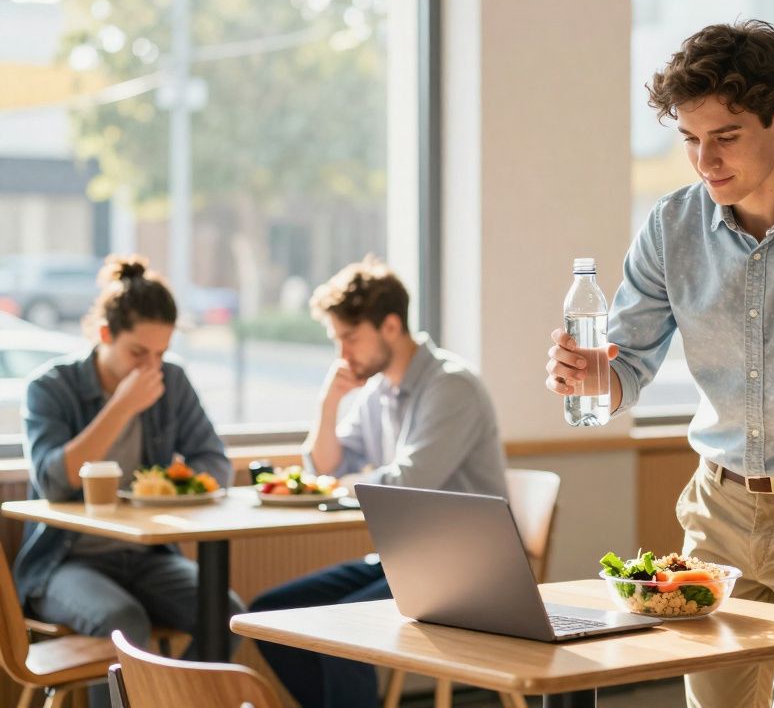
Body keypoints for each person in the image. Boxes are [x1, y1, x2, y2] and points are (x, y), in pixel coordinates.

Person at [544, 20, 774, 708]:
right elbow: (627, 366)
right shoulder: (670, 227)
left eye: (725, 136)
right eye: (689, 138)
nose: (704, 160)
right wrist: (594, 376)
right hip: (715, 516)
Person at [250, 256, 507, 708]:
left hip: (467, 568)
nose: (343, 355)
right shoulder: (378, 392)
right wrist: (329, 402)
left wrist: (348, 482)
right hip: (404, 559)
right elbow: (325, 469)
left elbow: (407, 482)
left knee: (342, 628)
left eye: (350, 338)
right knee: (270, 614)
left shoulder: (451, 387)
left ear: (390, 326)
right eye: (336, 341)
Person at [18, 255, 241, 707]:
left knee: (227, 613)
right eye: (139, 352)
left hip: (147, 555)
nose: (150, 366)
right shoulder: (50, 388)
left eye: (160, 353)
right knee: (124, 622)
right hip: (66, 561)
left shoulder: (171, 381)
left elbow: (214, 461)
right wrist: (121, 406)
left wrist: (179, 486)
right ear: (105, 335)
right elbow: (53, 481)